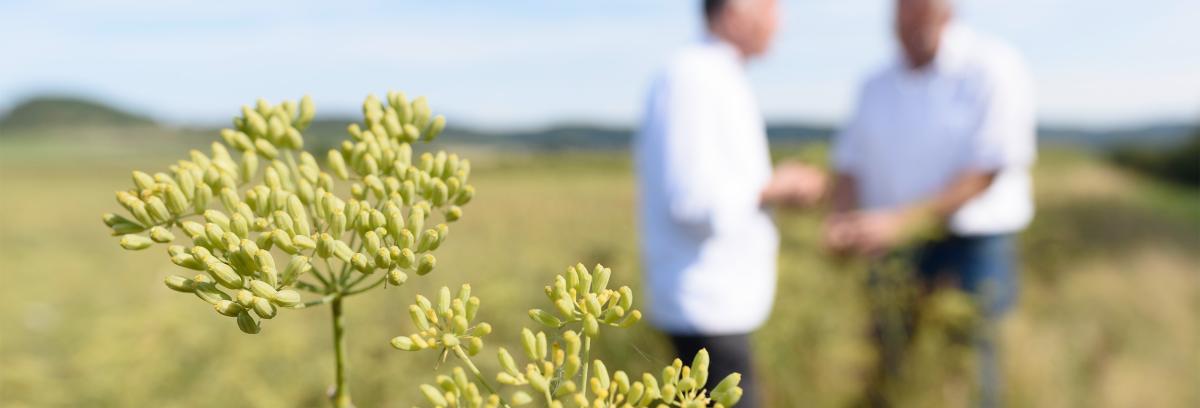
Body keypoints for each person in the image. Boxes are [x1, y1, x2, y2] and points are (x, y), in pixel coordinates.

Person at [766, 0, 1035, 406]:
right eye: (902, 11)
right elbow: (849, 164)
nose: (908, 19)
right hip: (889, 246)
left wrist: (902, 222)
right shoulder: (875, 83)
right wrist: (839, 219)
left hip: (970, 244)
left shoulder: (992, 66)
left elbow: (985, 170)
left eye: (920, 10)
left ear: (948, 12)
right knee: (886, 362)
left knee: (967, 370)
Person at [634, 0, 780, 406]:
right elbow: (691, 199)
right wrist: (772, 190)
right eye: (771, 6)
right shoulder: (693, 76)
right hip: (705, 304)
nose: (779, 21)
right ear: (736, 10)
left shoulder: (716, 74)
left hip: (717, 302)